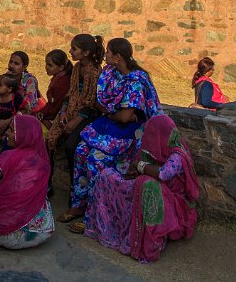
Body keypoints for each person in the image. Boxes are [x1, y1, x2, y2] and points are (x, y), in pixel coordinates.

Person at [61, 38, 162, 223]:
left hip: (127, 133)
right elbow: (100, 103)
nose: (104, 54)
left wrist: (113, 113)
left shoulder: (136, 81)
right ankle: (79, 204)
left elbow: (125, 118)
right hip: (108, 125)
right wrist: (115, 112)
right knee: (81, 151)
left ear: (118, 57)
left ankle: (93, 213)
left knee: (94, 160)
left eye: (108, 52)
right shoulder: (109, 74)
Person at [76, 115, 199, 261]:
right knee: (106, 176)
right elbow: (137, 166)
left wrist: (140, 167)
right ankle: (107, 227)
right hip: (157, 191)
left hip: (174, 203)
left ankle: (149, 239)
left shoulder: (177, 155)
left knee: (148, 185)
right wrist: (134, 171)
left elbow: (163, 173)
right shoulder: (155, 150)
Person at [0, 115, 55, 250]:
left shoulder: (7, 157)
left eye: (11, 130)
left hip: (6, 237)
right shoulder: (43, 161)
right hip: (42, 234)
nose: (7, 134)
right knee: (39, 194)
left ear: (23, 135)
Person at [46, 34, 104, 191]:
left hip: (87, 115)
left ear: (85, 53)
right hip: (70, 110)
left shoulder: (94, 72)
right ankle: (47, 182)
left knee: (71, 146)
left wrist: (75, 120)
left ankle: (76, 187)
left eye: (74, 49)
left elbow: (92, 102)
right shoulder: (77, 68)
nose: (70, 51)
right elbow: (70, 94)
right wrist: (64, 111)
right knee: (50, 139)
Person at [39, 49, 73, 127]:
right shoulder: (59, 78)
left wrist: (43, 115)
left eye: (50, 65)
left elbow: (56, 107)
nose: (46, 67)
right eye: (46, 64)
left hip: (58, 117)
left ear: (61, 67)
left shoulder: (62, 83)